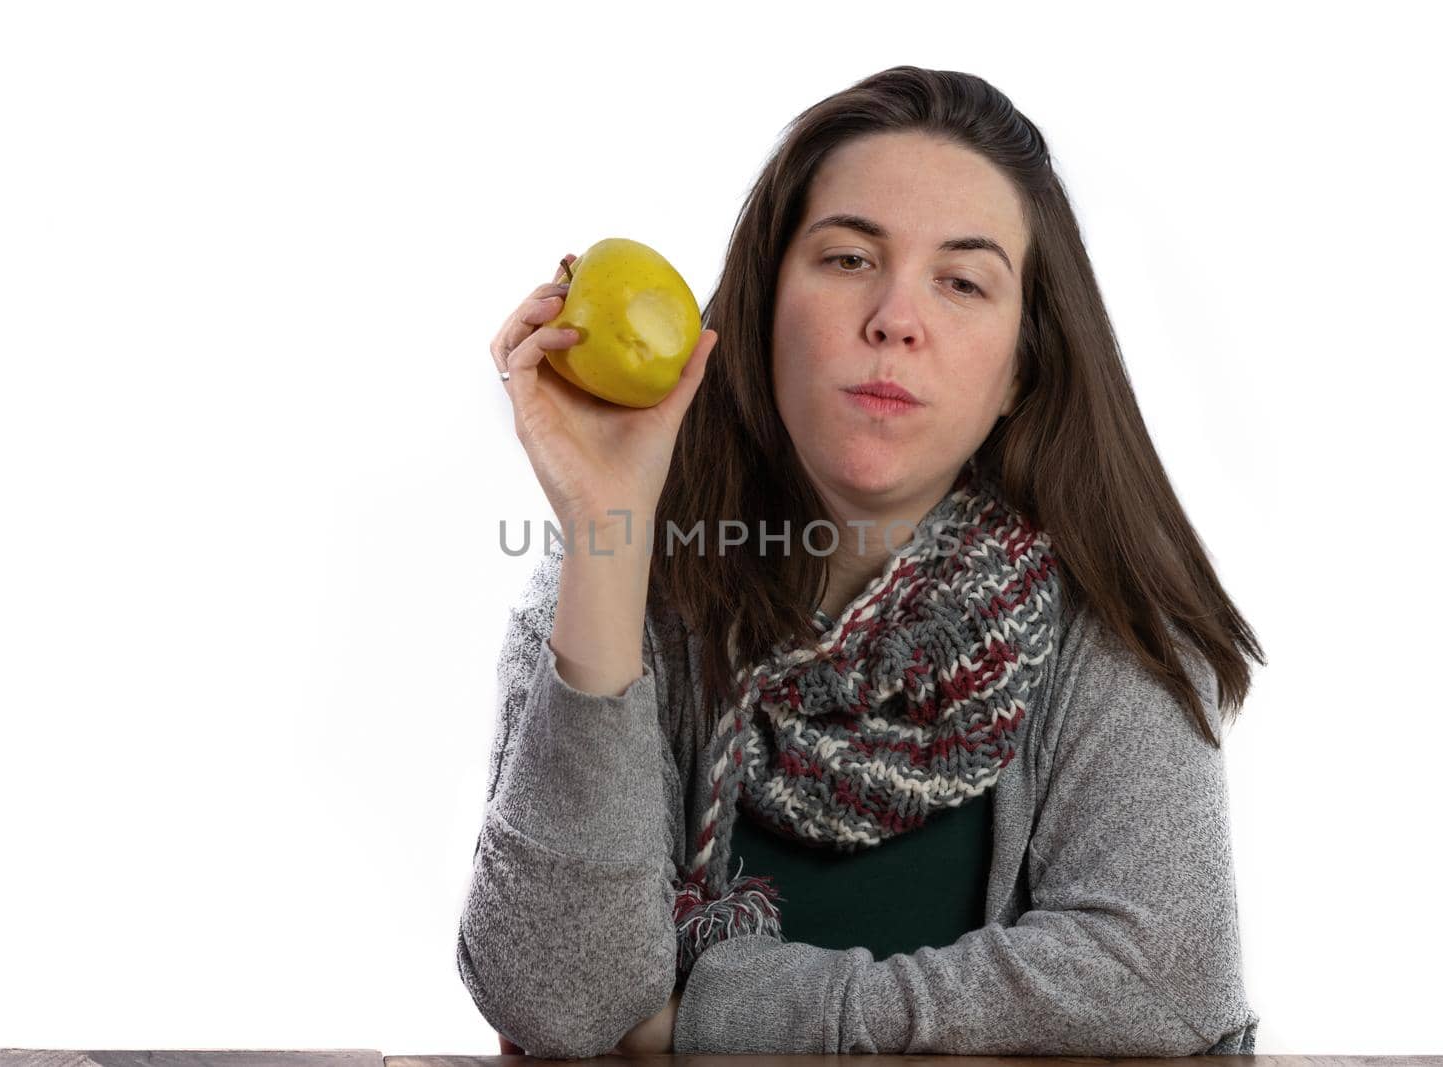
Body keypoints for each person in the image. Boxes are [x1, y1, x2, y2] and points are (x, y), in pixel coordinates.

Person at [459, 64, 1265, 1059]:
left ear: (1022, 366)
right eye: (846, 259)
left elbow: (1161, 979)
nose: (894, 317)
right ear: (759, 309)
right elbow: (561, 1002)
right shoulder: (612, 589)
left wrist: (716, 1021)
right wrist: (608, 529)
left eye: (962, 280)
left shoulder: (1111, 627)